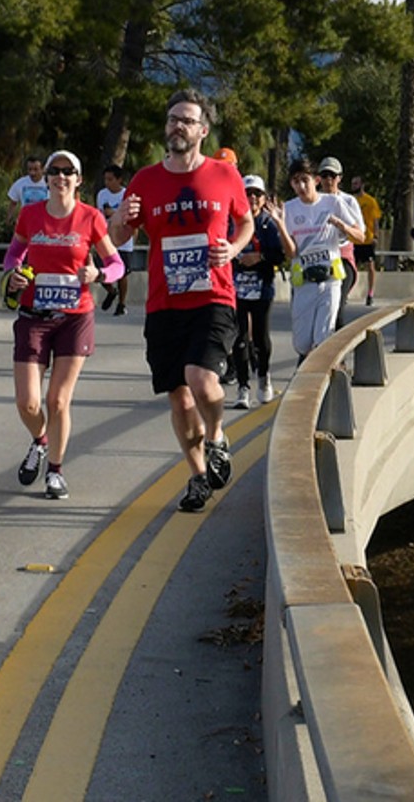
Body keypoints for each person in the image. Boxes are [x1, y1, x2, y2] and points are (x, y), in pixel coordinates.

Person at [108, 90, 253, 513]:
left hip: (213, 294)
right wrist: (119, 218)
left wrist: (232, 247)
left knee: (201, 378)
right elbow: (119, 238)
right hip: (164, 302)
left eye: (187, 120)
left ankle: (218, 436)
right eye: (173, 119)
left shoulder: (225, 176)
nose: (177, 126)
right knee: (179, 396)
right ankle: (196, 476)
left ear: (203, 131)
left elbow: (244, 221)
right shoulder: (145, 180)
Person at [1, 150, 123, 499]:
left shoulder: (91, 217)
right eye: (54, 171)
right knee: (27, 402)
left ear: (78, 179)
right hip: (33, 315)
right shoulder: (30, 215)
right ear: (48, 178)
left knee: (57, 401)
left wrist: (98, 273)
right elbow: (13, 254)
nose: (60, 176)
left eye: (68, 171)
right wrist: (14, 274)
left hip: (74, 317)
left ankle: (55, 471)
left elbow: (117, 264)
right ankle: (40, 440)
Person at [283, 159, 364, 362]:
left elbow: (360, 236)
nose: (301, 186)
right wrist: (278, 225)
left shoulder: (333, 203)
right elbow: (291, 253)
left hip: (330, 280)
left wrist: (341, 225)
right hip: (304, 282)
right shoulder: (289, 209)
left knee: (323, 338)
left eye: (305, 180)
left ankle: (324, 384)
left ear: (316, 180)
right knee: (302, 343)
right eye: (295, 182)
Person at [230, 174, 291, 408]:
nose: (252, 198)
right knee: (239, 337)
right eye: (248, 194)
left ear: (264, 198)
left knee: (261, 338)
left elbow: (280, 255)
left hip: (262, 288)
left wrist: (259, 257)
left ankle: (263, 377)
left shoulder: (268, 224)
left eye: (257, 194)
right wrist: (238, 259)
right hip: (236, 288)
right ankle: (243, 386)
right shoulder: (232, 222)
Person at [314, 158, 364, 323]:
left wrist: (342, 226)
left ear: (340, 178)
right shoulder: (313, 200)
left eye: (332, 176)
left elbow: (360, 234)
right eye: (324, 175)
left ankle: (337, 347)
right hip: (317, 258)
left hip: (342, 259)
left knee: (336, 310)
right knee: (317, 312)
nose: (328, 180)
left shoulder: (348, 201)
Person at [96, 164, 135, 315]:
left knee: (123, 274)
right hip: (107, 238)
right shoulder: (102, 195)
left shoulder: (127, 194)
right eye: (105, 179)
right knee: (100, 270)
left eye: (111, 179)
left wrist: (114, 212)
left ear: (119, 180)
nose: (107, 182)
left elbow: (130, 216)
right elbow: (101, 215)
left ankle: (122, 303)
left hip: (124, 239)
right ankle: (111, 291)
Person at [349, 174, 383, 306]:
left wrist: (376, 235)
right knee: (351, 268)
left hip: (367, 238)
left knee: (370, 266)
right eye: (352, 184)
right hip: (353, 239)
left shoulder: (370, 201)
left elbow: (375, 220)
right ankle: (347, 291)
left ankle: (370, 293)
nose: (354, 186)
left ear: (362, 185)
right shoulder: (350, 201)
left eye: (356, 183)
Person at [5, 155, 48, 225]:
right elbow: (13, 203)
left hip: (45, 224)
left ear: (43, 169)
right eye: (30, 169)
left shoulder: (50, 183)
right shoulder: (20, 184)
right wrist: (9, 218)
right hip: (26, 224)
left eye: (36, 169)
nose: (32, 173)